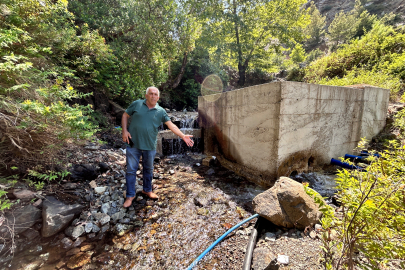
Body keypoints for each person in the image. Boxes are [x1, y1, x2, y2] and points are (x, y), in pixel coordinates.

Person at [121, 86, 194, 207]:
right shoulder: (137, 104)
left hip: (150, 145)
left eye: (155, 94)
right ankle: (130, 196)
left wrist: (183, 136)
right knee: (130, 171)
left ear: (158, 97)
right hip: (133, 143)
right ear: (146, 95)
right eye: (151, 94)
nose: (153, 96)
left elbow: (171, 125)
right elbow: (124, 115)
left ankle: (147, 190)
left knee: (148, 169)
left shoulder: (161, 111)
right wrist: (124, 131)